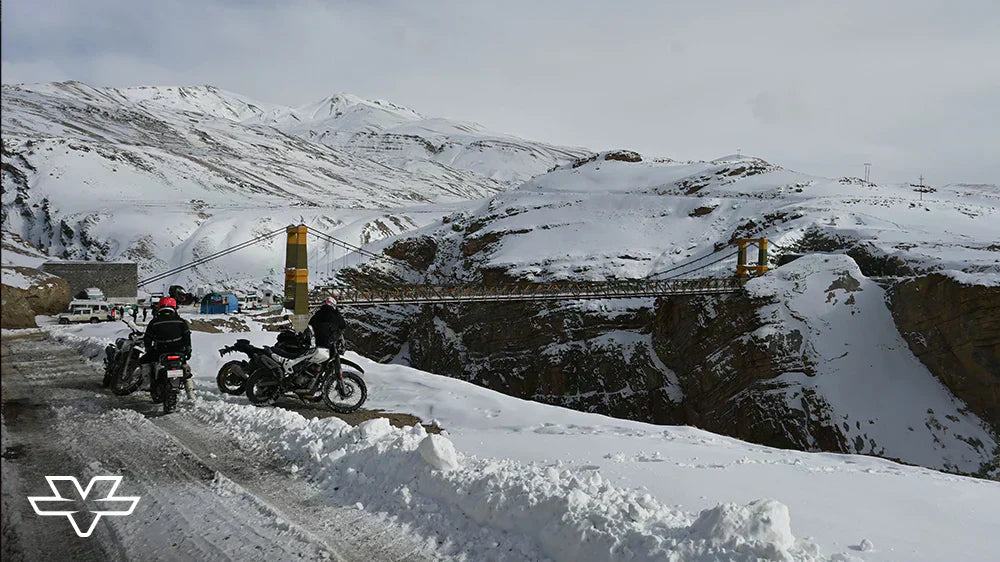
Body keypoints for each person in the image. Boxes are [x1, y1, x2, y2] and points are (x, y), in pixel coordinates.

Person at [141, 297, 193, 402]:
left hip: (160, 351)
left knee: (144, 361)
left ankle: (146, 383)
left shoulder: (154, 322)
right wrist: (188, 350)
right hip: (179, 352)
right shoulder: (181, 321)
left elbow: (147, 338)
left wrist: (148, 349)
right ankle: (191, 394)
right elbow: (187, 337)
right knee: (185, 370)